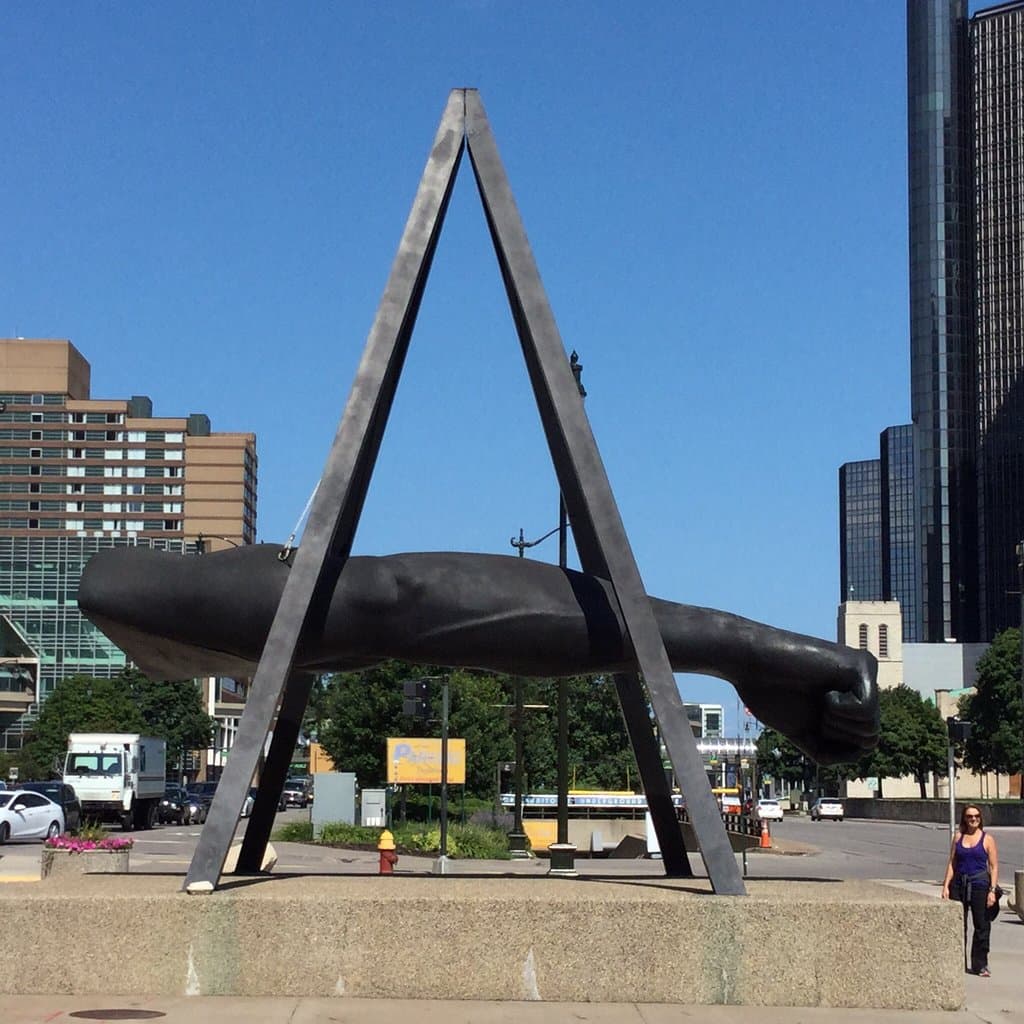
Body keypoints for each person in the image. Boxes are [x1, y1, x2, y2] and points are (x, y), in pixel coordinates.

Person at [77, 543, 880, 766]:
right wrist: (739, 650)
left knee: (388, 604)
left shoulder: (168, 611)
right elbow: (108, 582)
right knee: (388, 603)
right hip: (166, 608)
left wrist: (739, 652)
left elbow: (398, 603)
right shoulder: (138, 600)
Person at [941, 804, 1000, 976]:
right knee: (958, 925)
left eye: (976, 816)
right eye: (969, 816)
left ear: (980, 819)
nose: (973, 819)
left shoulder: (987, 839)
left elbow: (994, 866)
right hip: (959, 884)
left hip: (980, 885)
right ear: (964, 819)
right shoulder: (958, 837)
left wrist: (992, 890)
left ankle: (980, 964)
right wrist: (946, 886)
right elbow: (952, 863)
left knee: (982, 925)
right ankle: (957, 962)